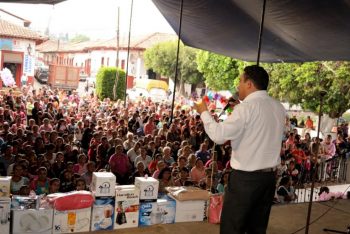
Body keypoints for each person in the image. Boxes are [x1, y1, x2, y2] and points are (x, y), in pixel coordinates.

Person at [194, 65, 285, 234]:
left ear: (249, 84)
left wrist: (204, 113)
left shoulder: (245, 109)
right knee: (257, 228)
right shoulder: (278, 107)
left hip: (246, 179)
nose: (238, 86)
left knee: (232, 227)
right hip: (268, 178)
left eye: (241, 81)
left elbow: (219, 136)